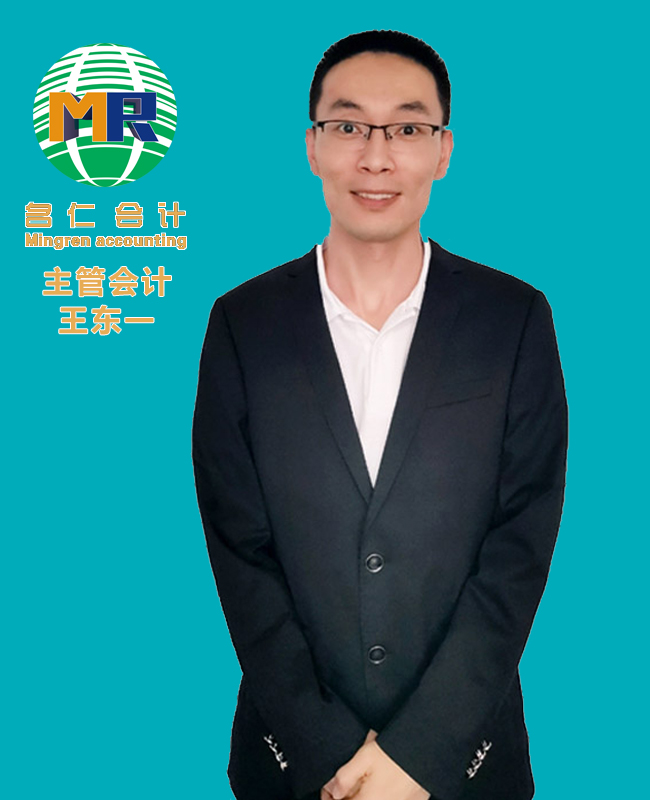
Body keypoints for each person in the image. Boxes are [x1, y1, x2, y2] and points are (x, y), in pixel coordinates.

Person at [192, 29, 568, 800]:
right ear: (313, 145)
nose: (376, 157)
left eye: (407, 128)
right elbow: (240, 552)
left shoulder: (514, 319)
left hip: (468, 764)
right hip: (293, 764)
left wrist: (419, 755)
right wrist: (328, 749)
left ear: (444, 149)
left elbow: (519, 545)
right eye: (348, 125)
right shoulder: (242, 324)